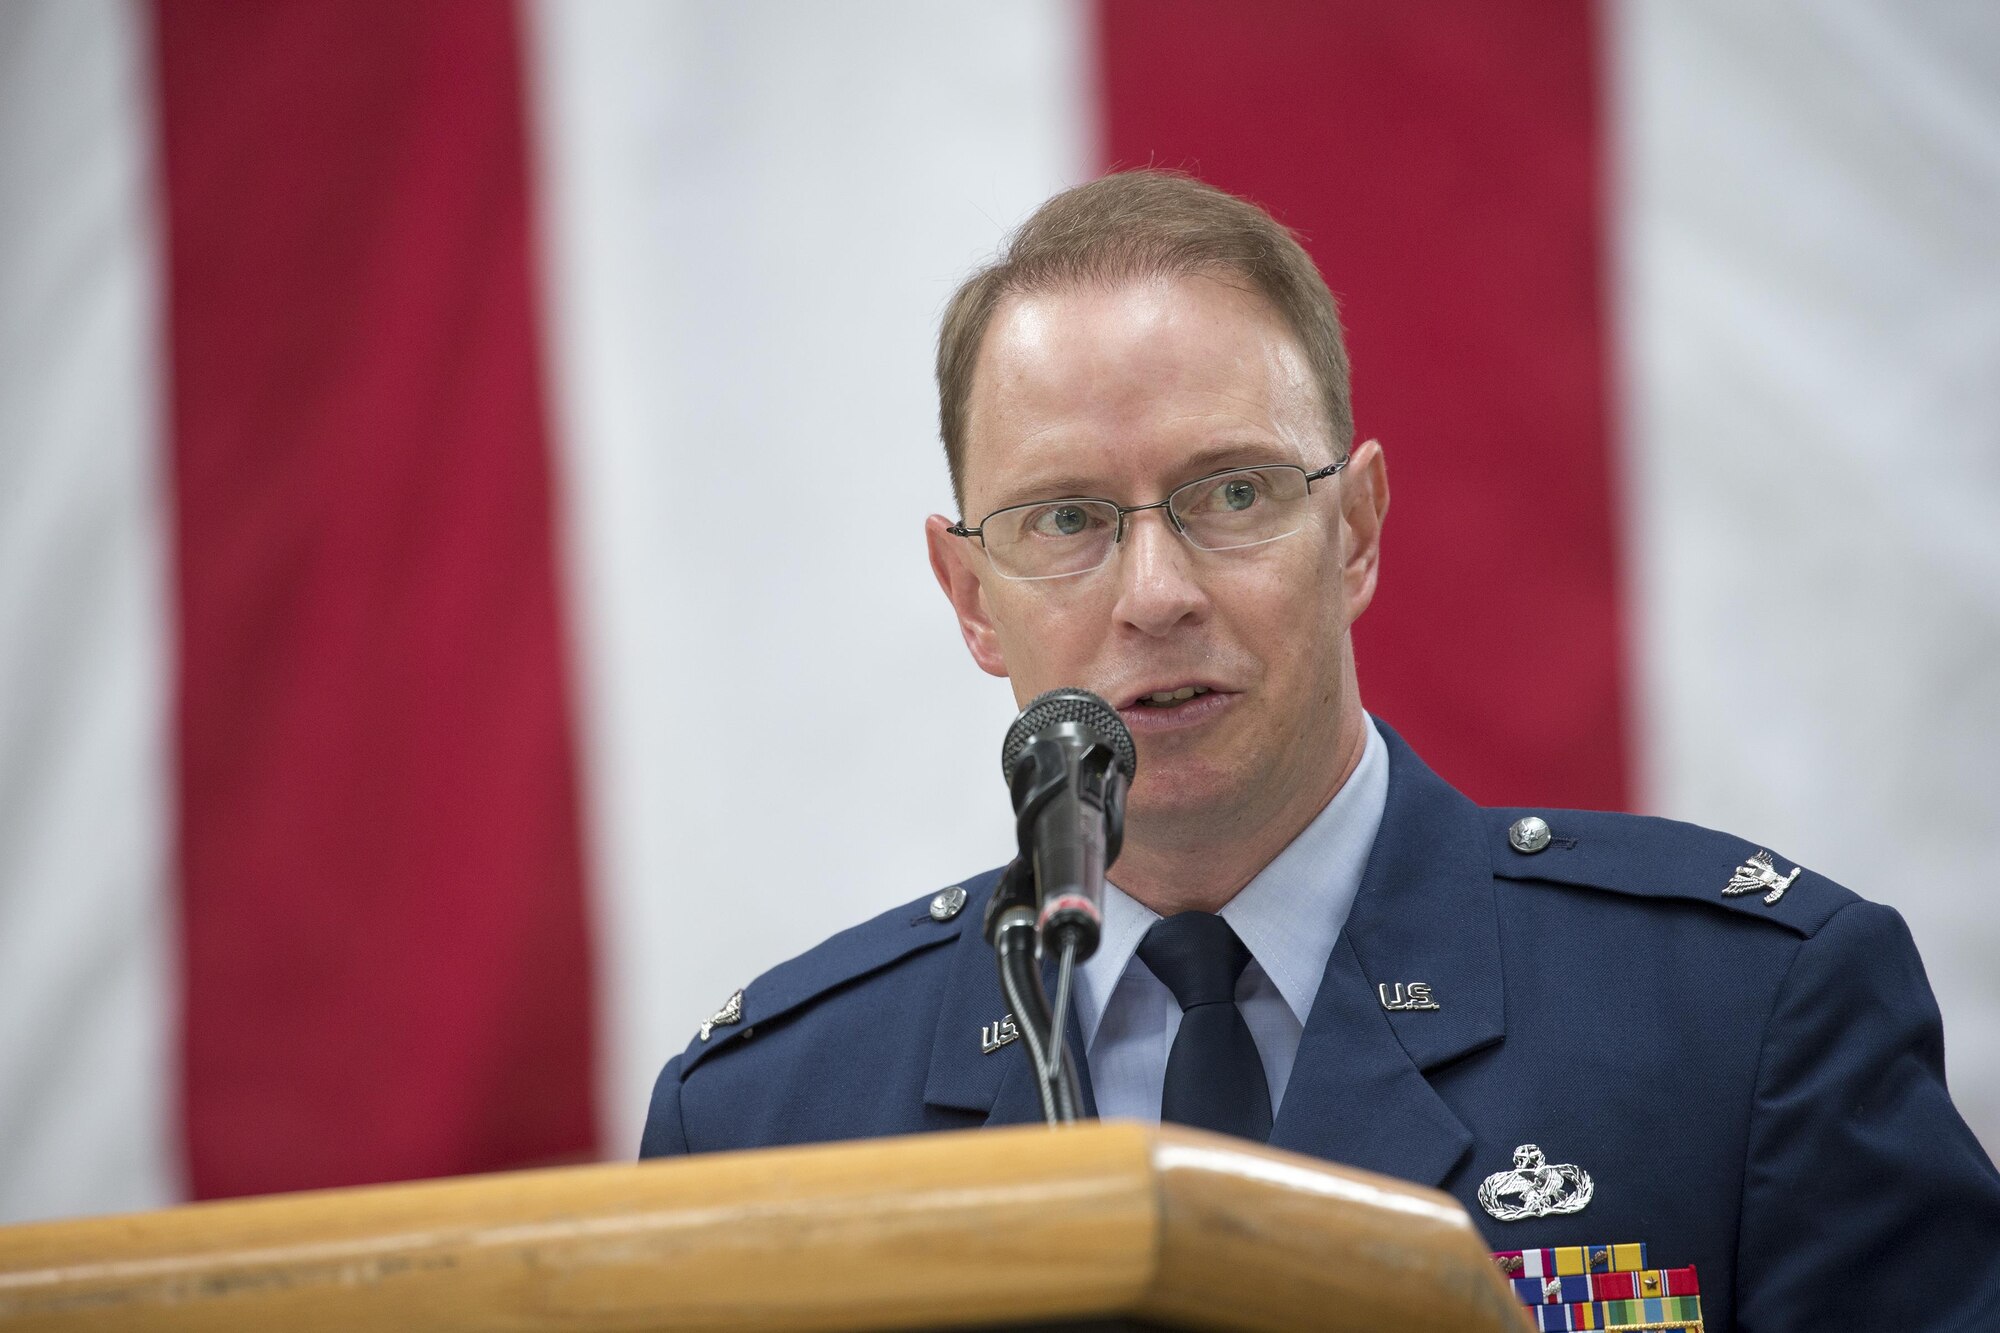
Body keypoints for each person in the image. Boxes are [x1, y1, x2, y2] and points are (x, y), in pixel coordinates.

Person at [640, 171, 2000, 1329]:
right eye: (1064, 519)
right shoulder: (770, 1126)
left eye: (1231, 492)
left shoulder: (1742, 1019)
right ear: (968, 596)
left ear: (1354, 529)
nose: (1155, 593)